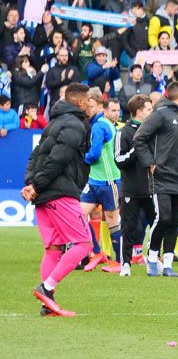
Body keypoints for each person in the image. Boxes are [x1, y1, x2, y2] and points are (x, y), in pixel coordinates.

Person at [24, 83, 92, 317]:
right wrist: (37, 184)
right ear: (80, 103)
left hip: (44, 195)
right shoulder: (75, 125)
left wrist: (30, 183)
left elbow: (36, 155)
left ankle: (47, 303)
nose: (91, 106)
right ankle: (47, 287)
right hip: (60, 192)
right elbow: (58, 159)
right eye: (89, 102)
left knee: (53, 248)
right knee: (84, 244)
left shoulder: (54, 122)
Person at [133, 81, 178, 277]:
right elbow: (139, 138)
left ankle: (168, 264)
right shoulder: (160, 114)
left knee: (174, 221)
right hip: (161, 178)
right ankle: (152, 258)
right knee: (163, 217)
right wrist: (150, 162)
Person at [79, 91, 122, 273]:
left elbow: (95, 154)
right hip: (95, 180)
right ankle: (97, 251)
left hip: (108, 180)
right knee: (78, 215)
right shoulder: (100, 124)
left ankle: (120, 261)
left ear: (98, 106)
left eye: (90, 106)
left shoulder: (100, 126)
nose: (87, 109)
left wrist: (80, 158)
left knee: (112, 219)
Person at [114, 95, 154, 276]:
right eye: (149, 109)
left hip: (153, 188)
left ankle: (153, 261)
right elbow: (119, 160)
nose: (151, 112)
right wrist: (135, 148)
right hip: (131, 188)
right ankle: (126, 264)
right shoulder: (123, 132)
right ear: (139, 112)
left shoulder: (154, 130)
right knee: (129, 228)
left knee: (157, 226)